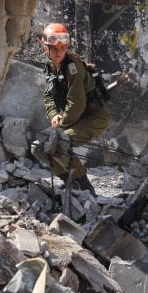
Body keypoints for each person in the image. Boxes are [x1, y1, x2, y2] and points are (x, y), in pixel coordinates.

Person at [37, 22, 110, 194]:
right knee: (37, 147)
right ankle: (68, 181)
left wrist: (60, 128)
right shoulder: (50, 67)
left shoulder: (73, 68)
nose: (59, 53)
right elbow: (48, 95)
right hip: (77, 116)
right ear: (44, 47)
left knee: (59, 143)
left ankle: (85, 187)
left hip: (94, 118)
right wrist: (54, 114)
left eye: (63, 48)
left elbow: (76, 104)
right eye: (54, 49)